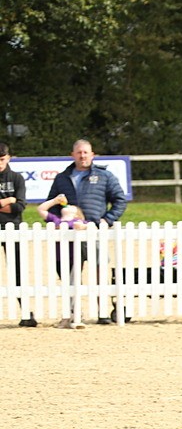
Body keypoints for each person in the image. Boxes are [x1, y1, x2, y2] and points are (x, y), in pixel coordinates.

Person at [46, 139, 127, 324]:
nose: (82, 156)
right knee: (69, 273)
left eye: (85, 152)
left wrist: (107, 220)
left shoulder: (105, 176)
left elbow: (120, 200)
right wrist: (58, 221)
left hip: (94, 231)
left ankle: (103, 312)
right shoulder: (62, 178)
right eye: (79, 152)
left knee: (100, 271)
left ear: (92, 155)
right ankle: (75, 312)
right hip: (70, 234)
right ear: (72, 155)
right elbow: (52, 203)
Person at [36, 195, 87, 329]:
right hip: (59, 258)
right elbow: (41, 209)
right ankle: (68, 314)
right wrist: (54, 201)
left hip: (74, 257)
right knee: (66, 285)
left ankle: (75, 313)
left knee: (74, 284)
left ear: (77, 213)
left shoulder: (77, 221)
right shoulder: (56, 220)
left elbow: (88, 226)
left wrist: (81, 226)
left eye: (72, 207)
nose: (68, 206)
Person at [0, 143, 35, 327]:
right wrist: (8, 200)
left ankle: (26, 313)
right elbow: (13, 203)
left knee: (17, 272)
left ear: (8, 158)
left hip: (12, 228)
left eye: (2, 159)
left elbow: (20, 206)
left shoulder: (16, 178)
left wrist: (12, 202)